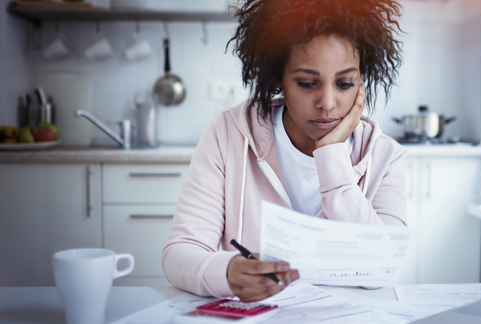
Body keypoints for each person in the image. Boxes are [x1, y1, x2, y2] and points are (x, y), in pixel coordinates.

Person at [162, 0, 406, 302]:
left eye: (344, 83)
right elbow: (179, 254)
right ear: (278, 77)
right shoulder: (229, 134)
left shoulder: (385, 156)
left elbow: (383, 269)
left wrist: (331, 155)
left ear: (362, 81)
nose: (327, 102)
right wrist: (226, 272)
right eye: (306, 83)